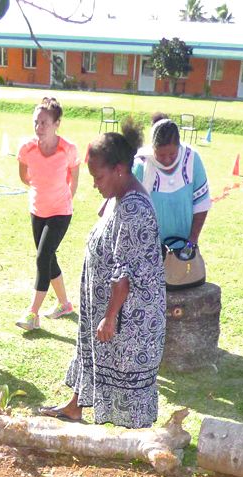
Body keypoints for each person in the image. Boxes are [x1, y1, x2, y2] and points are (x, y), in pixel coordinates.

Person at [38, 124, 166, 428]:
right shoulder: (120, 194)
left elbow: (124, 275)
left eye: (98, 177)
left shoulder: (133, 209)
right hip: (110, 305)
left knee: (125, 371)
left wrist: (109, 317)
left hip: (129, 317)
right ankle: (74, 406)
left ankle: (135, 433)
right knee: (91, 354)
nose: (94, 184)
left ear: (120, 169)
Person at [16, 96, 80, 332]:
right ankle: (65, 304)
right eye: (36, 122)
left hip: (61, 212)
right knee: (49, 257)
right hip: (37, 210)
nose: (38, 127)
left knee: (42, 257)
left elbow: (74, 177)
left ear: (56, 124)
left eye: (44, 122)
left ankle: (32, 314)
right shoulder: (27, 148)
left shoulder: (68, 149)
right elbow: (24, 176)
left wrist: (65, 198)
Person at [133, 114, 211, 249]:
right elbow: (132, 209)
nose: (167, 160)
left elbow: (201, 203)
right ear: (153, 148)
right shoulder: (142, 164)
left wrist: (192, 240)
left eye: (172, 154)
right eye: (161, 155)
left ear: (179, 147)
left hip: (185, 246)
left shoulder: (192, 159)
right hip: (149, 249)